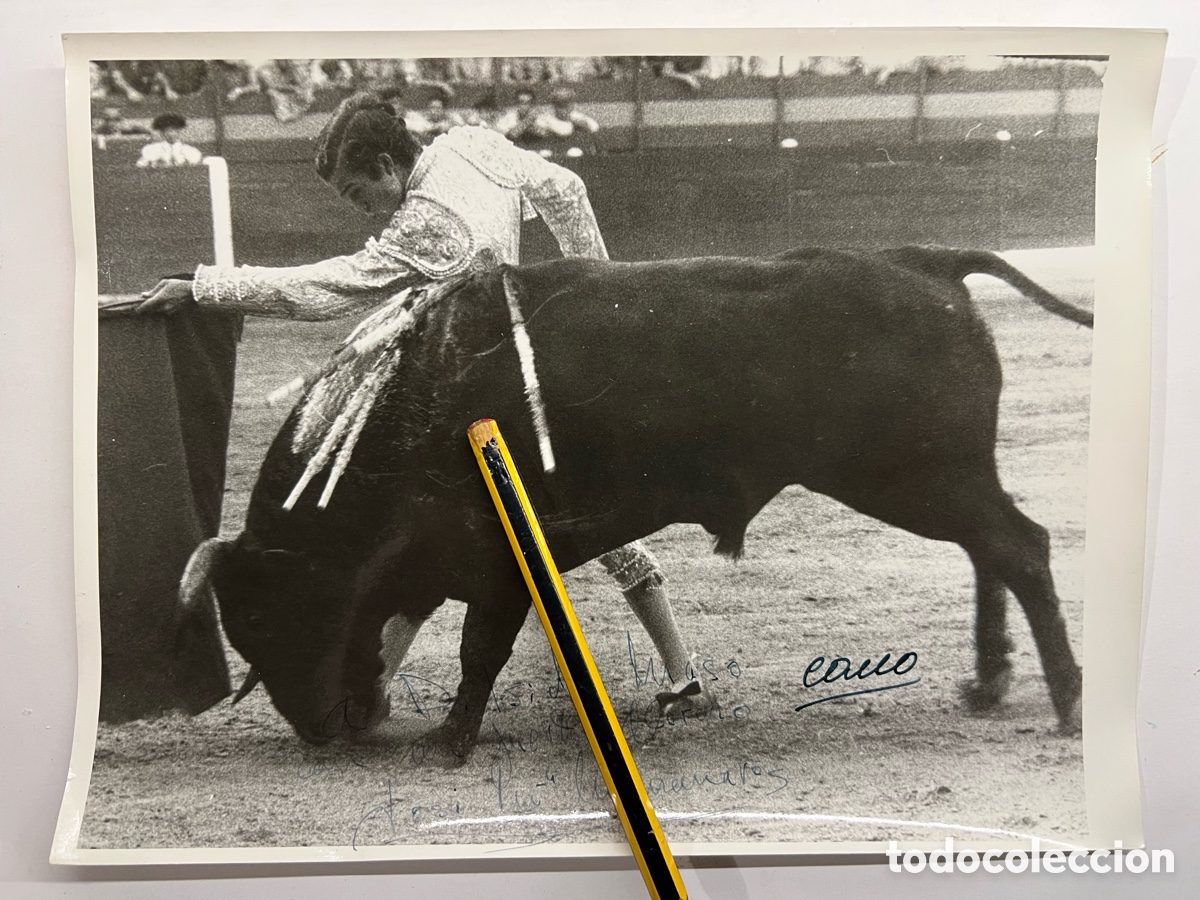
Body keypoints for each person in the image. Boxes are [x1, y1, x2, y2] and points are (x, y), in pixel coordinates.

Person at [138, 93, 704, 710]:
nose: (365, 212)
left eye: (359, 195)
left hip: (476, 401)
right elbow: (564, 187)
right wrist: (598, 292)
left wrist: (206, 286)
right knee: (567, 524)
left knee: (426, 541)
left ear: (385, 165)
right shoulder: (469, 142)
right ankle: (684, 677)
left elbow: (329, 286)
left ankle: (368, 697)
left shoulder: (424, 223)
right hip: (529, 376)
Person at [135, 113, 203, 168]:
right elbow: (140, 167)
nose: (172, 134)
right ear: (162, 133)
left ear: (179, 131)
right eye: (168, 130)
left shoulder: (189, 150)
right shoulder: (152, 149)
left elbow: (198, 167)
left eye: (175, 130)